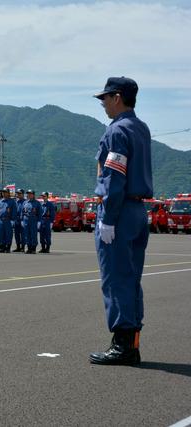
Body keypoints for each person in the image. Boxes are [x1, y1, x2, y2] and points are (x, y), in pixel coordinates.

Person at [89, 77, 152, 365]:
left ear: (117, 97)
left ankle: (123, 345)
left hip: (119, 209)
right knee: (131, 279)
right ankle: (133, 342)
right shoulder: (140, 127)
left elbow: (114, 176)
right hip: (138, 211)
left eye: (105, 98)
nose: (102, 103)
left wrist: (109, 219)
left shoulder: (117, 130)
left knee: (116, 279)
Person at [0, 188, 16, 253]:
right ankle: (2, 246)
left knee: (8, 234)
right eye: (3, 192)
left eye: (5, 192)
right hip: (1, 220)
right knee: (1, 234)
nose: (4, 193)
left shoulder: (12, 201)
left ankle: (8, 247)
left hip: (8, 220)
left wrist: (12, 220)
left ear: (8, 193)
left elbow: (14, 211)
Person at [22, 190, 41, 254]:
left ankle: (33, 248)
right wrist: (22, 220)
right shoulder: (25, 202)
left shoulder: (37, 203)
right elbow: (23, 212)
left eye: (30, 194)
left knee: (33, 234)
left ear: (33, 195)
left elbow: (39, 213)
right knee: (27, 235)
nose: (29, 195)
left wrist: (39, 221)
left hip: (33, 220)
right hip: (26, 220)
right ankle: (29, 247)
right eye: (28, 194)